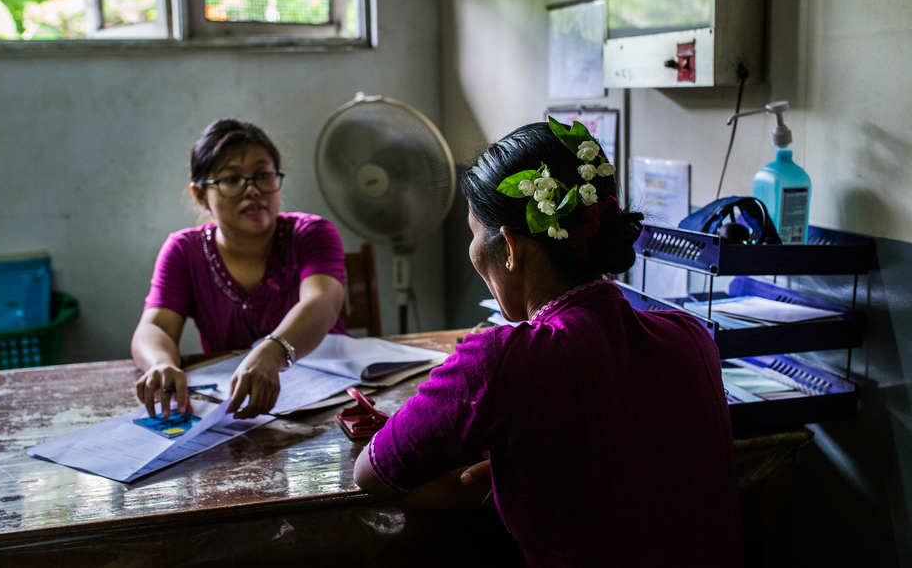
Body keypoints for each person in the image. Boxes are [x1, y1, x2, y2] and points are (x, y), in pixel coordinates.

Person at [354, 121, 743, 566]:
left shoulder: (500, 361)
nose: (472, 249)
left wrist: (501, 482)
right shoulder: (691, 337)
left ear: (510, 247)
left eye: (474, 232)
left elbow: (374, 473)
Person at [131, 119, 348, 420]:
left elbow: (322, 302)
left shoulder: (311, 234)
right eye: (232, 179)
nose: (253, 190)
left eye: (263, 175)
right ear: (200, 194)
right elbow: (155, 328)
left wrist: (273, 352)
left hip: (330, 405)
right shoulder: (184, 252)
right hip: (238, 414)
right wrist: (160, 364)